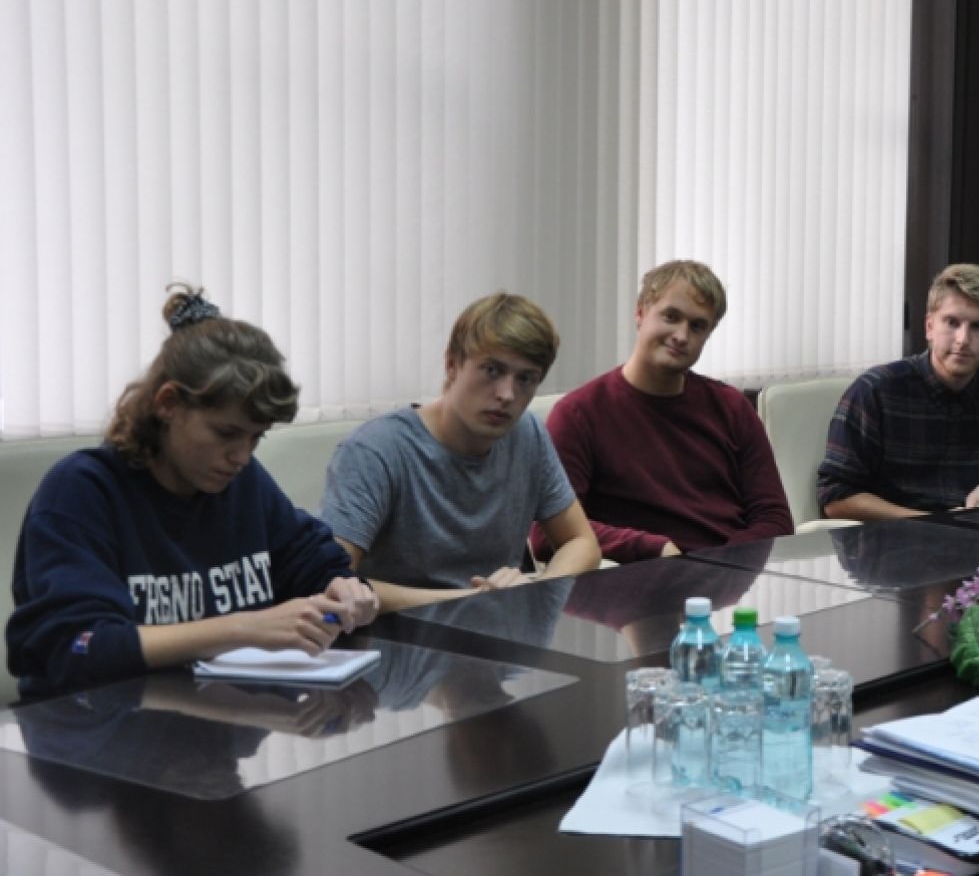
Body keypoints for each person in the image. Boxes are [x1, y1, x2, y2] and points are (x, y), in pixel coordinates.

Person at [6, 287, 378, 700]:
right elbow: (76, 648)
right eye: (226, 433)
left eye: (256, 437)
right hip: (97, 726)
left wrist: (342, 587)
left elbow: (311, 561)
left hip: (217, 719)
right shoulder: (82, 491)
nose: (242, 456)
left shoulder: (241, 482)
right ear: (168, 403)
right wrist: (244, 628)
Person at [320, 294, 600, 611]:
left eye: (525, 379)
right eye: (492, 371)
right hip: (401, 635)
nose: (507, 394)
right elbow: (333, 583)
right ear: (452, 365)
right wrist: (470, 602)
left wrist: (535, 591)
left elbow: (581, 542)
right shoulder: (376, 450)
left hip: (499, 630)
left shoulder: (527, 434)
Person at [530, 260, 792, 563]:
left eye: (697, 326)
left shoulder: (732, 407)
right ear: (640, 312)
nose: (681, 336)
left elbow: (774, 518)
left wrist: (725, 564)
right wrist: (651, 548)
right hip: (640, 578)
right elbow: (547, 535)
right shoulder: (579, 415)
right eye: (671, 317)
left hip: (728, 576)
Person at [817, 263, 979, 520]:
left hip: (970, 536)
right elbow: (835, 498)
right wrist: (928, 523)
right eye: (952, 322)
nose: (963, 339)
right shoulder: (875, 391)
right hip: (888, 537)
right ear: (929, 327)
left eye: (978, 326)